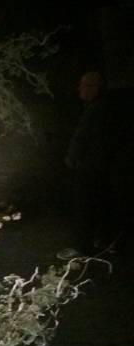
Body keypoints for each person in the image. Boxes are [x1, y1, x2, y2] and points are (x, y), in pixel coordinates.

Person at [58, 71, 121, 260]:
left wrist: (71, 158)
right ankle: (106, 241)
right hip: (102, 166)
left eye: (84, 85)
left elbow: (82, 138)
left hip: (89, 167)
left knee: (85, 206)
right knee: (102, 204)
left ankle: (83, 247)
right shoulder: (106, 107)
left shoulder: (96, 110)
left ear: (95, 88)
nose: (80, 89)